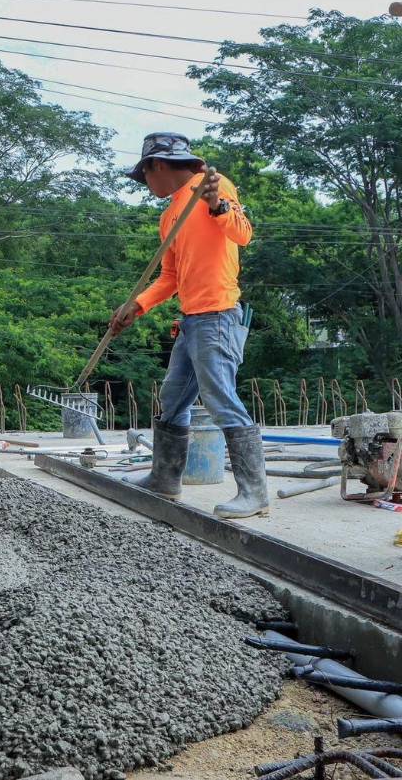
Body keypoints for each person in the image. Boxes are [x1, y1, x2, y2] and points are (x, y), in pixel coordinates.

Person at [110, 132, 267, 520]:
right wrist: (137, 305)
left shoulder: (211, 185)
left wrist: (217, 206)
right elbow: (170, 277)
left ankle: (254, 493)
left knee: (220, 398)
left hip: (218, 315)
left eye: (145, 176)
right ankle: (165, 480)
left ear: (157, 166)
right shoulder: (169, 216)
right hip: (192, 319)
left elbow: (243, 233)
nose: (146, 185)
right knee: (173, 398)